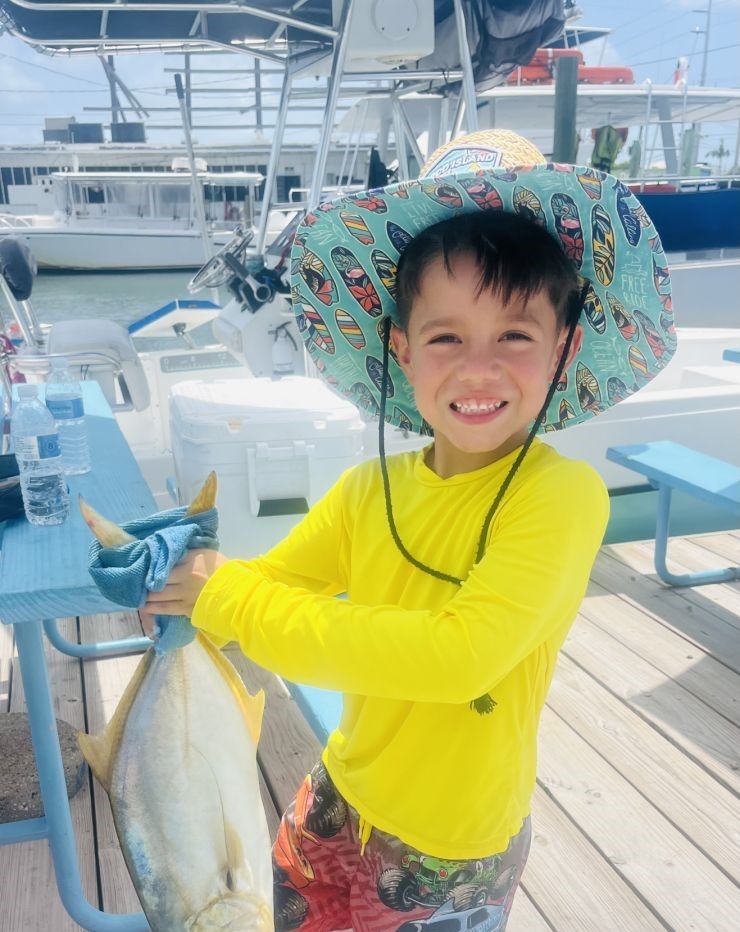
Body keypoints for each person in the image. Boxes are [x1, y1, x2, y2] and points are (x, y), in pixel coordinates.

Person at [141, 130, 676, 931]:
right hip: (339, 793)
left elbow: (457, 657)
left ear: (563, 348)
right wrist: (190, 578)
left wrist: (230, 600)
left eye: (516, 337)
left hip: (450, 848)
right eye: (446, 336)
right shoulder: (369, 489)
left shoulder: (561, 495)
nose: (479, 368)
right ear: (401, 349)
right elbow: (277, 579)